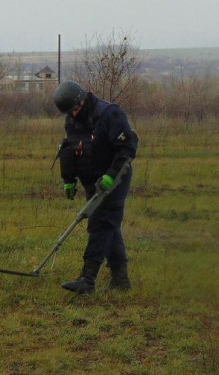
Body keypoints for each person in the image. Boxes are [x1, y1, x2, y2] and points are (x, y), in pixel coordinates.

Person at [53, 80, 138, 294]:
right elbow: (70, 150)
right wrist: (69, 179)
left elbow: (127, 148)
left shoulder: (109, 114)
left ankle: (87, 279)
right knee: (109, 225)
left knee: (99, 223)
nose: (73, 114)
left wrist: (110, 176)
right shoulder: (71, 121)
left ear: (82, 100)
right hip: (92, 180)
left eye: (75, 109)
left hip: (115, 177)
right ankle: (121, 279)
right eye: (69, 112)